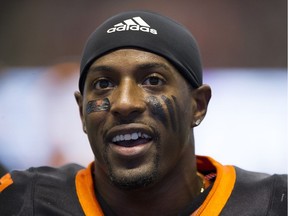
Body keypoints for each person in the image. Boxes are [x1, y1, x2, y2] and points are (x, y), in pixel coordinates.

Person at [0, 10, 286, 216]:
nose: (124, 103)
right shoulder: (22, 200)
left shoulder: (273, 203)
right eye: (103, 83)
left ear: (198, 105)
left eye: (153, 80)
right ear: (80, 113)